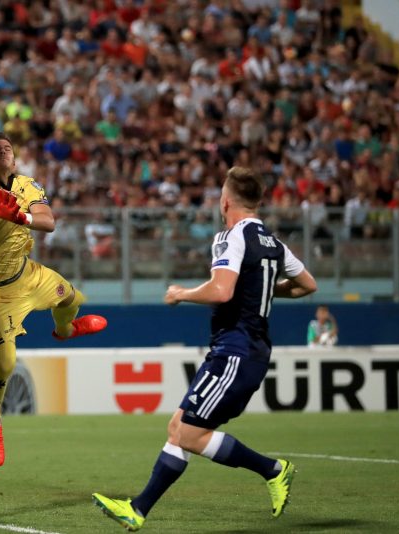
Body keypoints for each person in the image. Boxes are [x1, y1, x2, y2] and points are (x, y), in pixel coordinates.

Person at [92, 167, 318, 530]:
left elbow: (221, 291)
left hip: (236, 350)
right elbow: (308, 284)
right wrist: (259, 287)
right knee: (178, 426)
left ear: (225, 201)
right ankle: (137, 510)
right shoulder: (274, 243)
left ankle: (273, 470)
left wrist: (182, 293)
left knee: (190, 434)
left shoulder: (231, 237)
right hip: (246, 350)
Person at [0, 104, 107, 467]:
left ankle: (65, 331)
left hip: (26, 275)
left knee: (71, 299)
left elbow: (48, 221)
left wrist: (23, 216)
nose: (4, 152)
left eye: (8, 149)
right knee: (4, 362)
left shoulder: (27, 185)